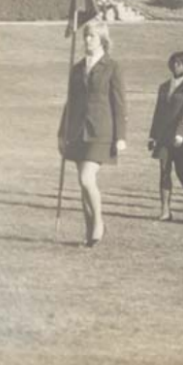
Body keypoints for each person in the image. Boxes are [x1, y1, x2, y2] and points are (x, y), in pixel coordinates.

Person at [59, 19, 127, 247]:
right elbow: (70, 102)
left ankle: (99, 222)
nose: (87, 39)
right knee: (83, 184)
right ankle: (90, 235)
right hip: (78, 130)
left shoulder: (112, 66)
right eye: (86, 35)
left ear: (103, 41)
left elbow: (119, 103)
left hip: (101, 130)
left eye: (92, 36)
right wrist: (61, 133)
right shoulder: (76, 67)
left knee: (86, 178)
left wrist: (121, 136)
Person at [148, 52, 183, 223]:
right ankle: (165, 210)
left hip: (182, 138)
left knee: (182, 172)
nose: (176, 66)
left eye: (180, 63)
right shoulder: (164, 87)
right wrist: (152, 136)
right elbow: (158, 112)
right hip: (163, 136)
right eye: (174, 63)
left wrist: (180, 135)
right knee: (164, 171)